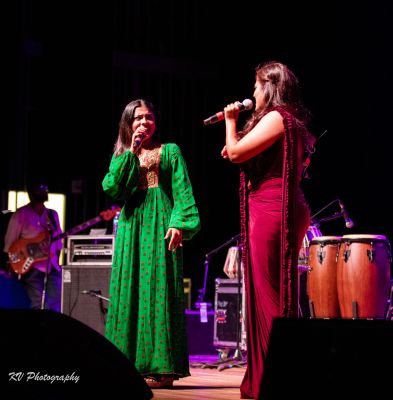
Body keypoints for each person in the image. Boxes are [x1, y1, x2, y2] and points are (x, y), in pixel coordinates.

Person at [221, 61, 315, 399]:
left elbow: (233, 153)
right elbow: (245, 153)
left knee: (271, 296)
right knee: (274, 293)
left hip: (273, 209)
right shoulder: (290, 121)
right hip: (282, 207)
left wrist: (230, 122)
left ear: (269, 86)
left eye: (256, 87)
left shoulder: (277, 117)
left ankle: (274, 376)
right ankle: (276, 373)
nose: (252, 94)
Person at [102, 99, 201, 389]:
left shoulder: (169, 150)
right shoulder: (122, 155)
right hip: (132, 227)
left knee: (160, 288)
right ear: (128, 124)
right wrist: (131, 151)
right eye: (138, 118)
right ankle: (128, 364)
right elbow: (115, 189)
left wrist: (179, 222)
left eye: (149, 117)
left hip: (161, 224)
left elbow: (183, 189)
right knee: (130, 289)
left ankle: (162, 369)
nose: (145, 123)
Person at [3, 183, 63, 312]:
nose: (43, 191)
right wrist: (16, 265)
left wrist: (55, 257)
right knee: (36, 305)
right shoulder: (21, 214)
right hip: (32, 267)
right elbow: (9, 245)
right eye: (39, 189)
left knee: (55, 305)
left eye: (44, 189)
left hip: (52, 266)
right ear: (31, 193)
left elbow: (58, 243)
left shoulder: (52, 215)